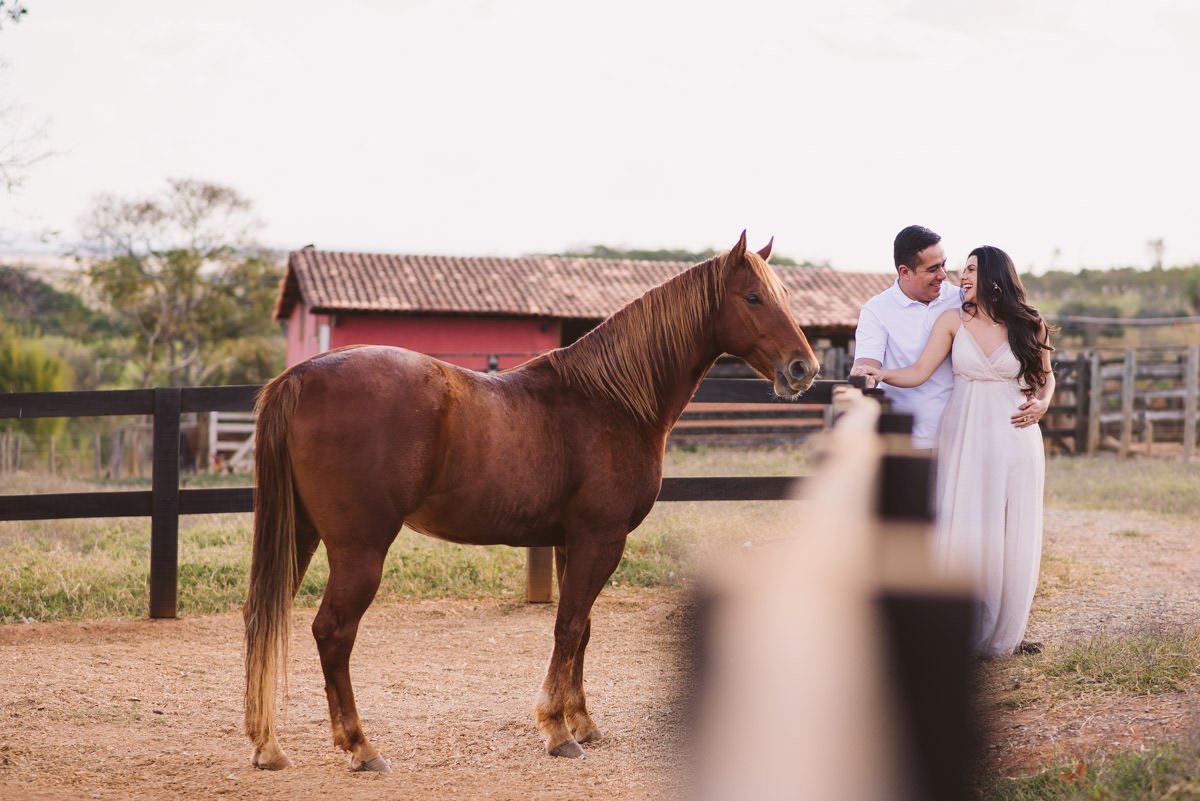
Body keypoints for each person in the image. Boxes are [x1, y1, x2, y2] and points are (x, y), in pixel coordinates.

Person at [860, 246, 1057, 658]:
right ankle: (960, 626)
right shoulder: (953, 320)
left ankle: (1005, 631)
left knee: (1008, 529)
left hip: (1015, 436)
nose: (960, 277)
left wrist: (1043, 403)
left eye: (970, 270)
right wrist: (878, 373)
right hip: (965, 433)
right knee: (964, 522)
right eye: (961, 270)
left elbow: (1046, 377)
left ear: (993, 276)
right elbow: (918, 371)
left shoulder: (1030, 323)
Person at [849, 225, 962, 449]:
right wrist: (863, 374)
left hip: (960, 434)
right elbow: (867, 365)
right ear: (905, 272)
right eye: (932, 269)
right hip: (907, 439)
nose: (942, 275)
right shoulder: (877, 310)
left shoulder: (961, 299)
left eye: (944, 265)